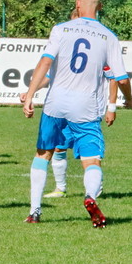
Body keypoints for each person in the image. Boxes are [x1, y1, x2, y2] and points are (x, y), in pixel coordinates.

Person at [22, 0, 132, 227]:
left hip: (55, 103)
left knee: (43, 153)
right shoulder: (109, 37)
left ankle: (34, 211)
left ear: (77, 4)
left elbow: (45, 61)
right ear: (100, 7)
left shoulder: (61, 28)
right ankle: (90, 197)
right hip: (86, 106)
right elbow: (121, 79)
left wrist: (30, 94)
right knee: (91, 159)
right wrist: (128, 100)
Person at [20, 66, 118, 199]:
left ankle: (95, 187)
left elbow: (114, 78)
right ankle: (60, 188)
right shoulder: (64, 53)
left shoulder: (99, 50)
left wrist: (111, 107)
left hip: (87, 111)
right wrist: (30, 92)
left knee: (90, 153)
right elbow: (48, 77)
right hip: (63, 109)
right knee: (59, 147)